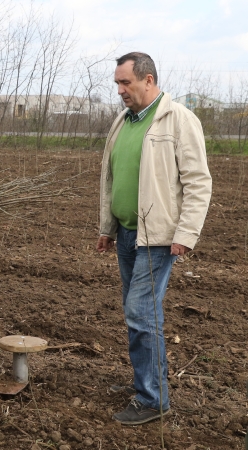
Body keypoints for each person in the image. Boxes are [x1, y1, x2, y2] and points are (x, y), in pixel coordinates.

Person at [96, 52, 212, 425]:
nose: (119, 90)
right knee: (142, 315)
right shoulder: (123, 121)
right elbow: (113, 178)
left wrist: (186, 233)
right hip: (128, 234)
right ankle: (145, 383)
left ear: (148, 80)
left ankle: (153, 398)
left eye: (125, 82)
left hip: (158, 237)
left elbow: (198, 181)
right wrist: (107, 228)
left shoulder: (179, 119)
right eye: (117, 83)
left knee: (140, 312)